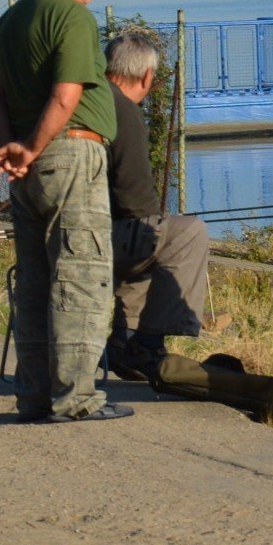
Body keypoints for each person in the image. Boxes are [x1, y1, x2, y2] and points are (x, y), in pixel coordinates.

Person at [0, 0, 130, 424]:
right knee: (81, 276)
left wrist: (13, 148)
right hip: (70, 154)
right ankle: (76, 399)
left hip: (30, 167)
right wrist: (35, 145)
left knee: (36, 282)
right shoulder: (73, 16)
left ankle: (34, 394)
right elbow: (67, 95)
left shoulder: (13, 17)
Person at [99, 28, 209, 383]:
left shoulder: (92, 99)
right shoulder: (124, 110)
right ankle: (147, 341)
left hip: (66, 231)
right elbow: (137, 203)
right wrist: (157, 221)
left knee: (149, 237)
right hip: (96, 239)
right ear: (147, 76)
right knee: (182, 234)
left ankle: (124, 341)